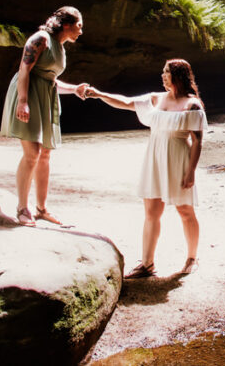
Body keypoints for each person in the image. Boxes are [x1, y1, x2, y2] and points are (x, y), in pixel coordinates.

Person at [85, 59, 205, 278]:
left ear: (177, 75)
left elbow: (197, 141)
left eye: (166, 72)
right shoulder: (155, 98)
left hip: (179, 158)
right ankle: (147, 264)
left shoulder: (192, 104)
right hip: (155, 158)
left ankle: (192, 258)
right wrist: (100, 94)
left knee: (185, 210)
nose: (162, 75)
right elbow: (126, 102)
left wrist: (191, 172)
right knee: (151, 212)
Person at [1, 6, 88, 227]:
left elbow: (50, 80)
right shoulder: (41, 39)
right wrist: (23, 101)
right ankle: (22, 208)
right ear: (66, 24)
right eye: (79, 25)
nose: (81, 31)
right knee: (32, 153)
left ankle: (41, 209)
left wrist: (74, 89)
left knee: (45, 154)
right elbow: (24, 70)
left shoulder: (60, 46)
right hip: (28, 94)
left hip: (45, 97)